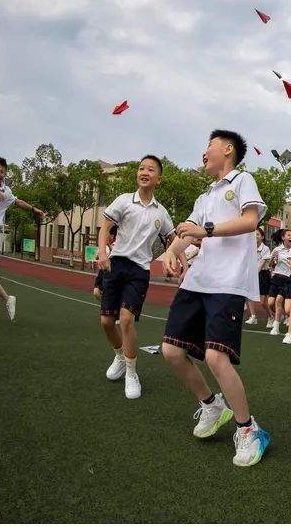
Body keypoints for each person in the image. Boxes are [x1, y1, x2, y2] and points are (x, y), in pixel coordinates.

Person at [160, 129, 271, 467]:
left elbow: (251, 220)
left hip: (228, 282)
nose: (204, 152)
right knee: (171, 350)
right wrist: (171, 250)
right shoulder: (205, 195)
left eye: (209, 145)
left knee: (215, 358)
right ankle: (212, 404)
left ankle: (249, 430)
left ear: (227, 149)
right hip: (197, 280)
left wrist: (204, 231)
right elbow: (187, 233)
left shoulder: (242, 181)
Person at [96, 155, 176, 400]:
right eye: (142, 168)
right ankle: (120, 356)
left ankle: (131, 372)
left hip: (139, 271)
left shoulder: (161, 213)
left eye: (151, 169)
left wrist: (179, 261)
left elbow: (173, 239)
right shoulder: (123, 201)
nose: (144, 172)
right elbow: (106, 227)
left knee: (126, 319)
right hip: (116, 265)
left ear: (158, 179)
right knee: (107, 322)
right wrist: (102, 252)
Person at [0, 157, 45, 320]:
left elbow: (18, 202)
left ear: (6, 174)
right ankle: (8, 299)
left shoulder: (7, 192)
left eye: (2, 172)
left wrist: (34, 209)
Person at [268, 230, 291, 336]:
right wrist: (273, 260)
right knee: (270, 303)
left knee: (279, 300)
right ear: (283, 238)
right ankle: (281, 316)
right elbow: (271, 265)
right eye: (289, 235)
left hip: (288, 279)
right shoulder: (277, 250)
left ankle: (276, 326)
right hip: (277, 278)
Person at [246, 228, 271, 326]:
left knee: (262, 302)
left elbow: (261, 264)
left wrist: (253, 274)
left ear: (262, 237)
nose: (255, 236)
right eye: (253, 234)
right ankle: (253, 317)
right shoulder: (250, 248)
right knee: (250, 296)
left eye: (257, 234)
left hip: (263, 274)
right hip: (253, 274)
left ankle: (271, 316)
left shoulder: (266, 249)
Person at [93, 225, 118, 300]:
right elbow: (96, 256)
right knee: (96, 292)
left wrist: (109, 246)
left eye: (107, 235)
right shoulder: (105, 246)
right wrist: (100, 254)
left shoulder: (116, 245)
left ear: (112, 236)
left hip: (113, 273)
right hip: (103, 272)